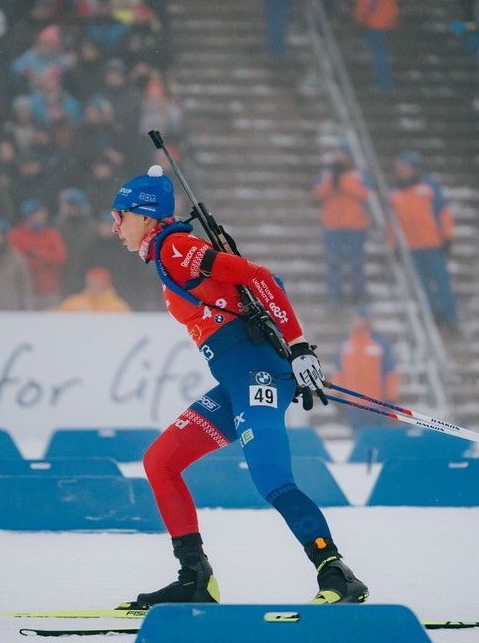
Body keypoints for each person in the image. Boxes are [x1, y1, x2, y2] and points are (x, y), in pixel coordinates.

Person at [109, 164, 368, 607]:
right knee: (160, 462)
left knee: (270, 477)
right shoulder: (169, 251)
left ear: (147, 216)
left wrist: (300, 347)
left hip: (258, 375)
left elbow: (260, 277)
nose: (115, 226)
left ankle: (336, 572)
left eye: (121, 216)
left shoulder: (175, 248)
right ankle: (195, 577)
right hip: (236, 382)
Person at [388, 150, 458, 330]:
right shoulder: (395, 191)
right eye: (398, 168)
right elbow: (392, 221)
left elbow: (443, 212)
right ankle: (434, 316)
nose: (401, 171)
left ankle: (451, 318)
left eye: (404, 167)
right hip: (411, 247)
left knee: (442, 282)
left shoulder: (429, 186)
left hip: (432, 243)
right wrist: (393, 243)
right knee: (423, 286)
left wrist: (448, 236)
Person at [312, 143, 369, 306]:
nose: (338, 157)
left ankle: (359, 294)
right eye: (336, 153)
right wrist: (332, 182)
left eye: (341, 153)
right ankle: (334, 295)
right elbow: (318, 194)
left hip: (356, 225)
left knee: (356, 261)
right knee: (334, 261)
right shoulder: (326, 173)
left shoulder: (359, 173)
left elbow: (365, 194)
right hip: (332, 225)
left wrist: (343, 180)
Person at [331, 313, 398, 430]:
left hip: (376, 403)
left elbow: (390, 372)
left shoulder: (380, 343)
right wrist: (337, 395)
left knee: (377, 437)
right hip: (352, 403)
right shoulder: (345, 343)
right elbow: (338, 372)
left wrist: (391, 397)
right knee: (357, 439)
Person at [9, 198, 68, 309]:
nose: (41, 216)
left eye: (42, 213)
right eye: (36, 213)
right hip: (24, 291)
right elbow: (17, 262)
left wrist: (39, 254)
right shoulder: (15, 235)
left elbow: (60, 257)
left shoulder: (52, 235)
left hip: (49, 290)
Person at [354, 0, 397, 91]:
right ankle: (385, 82)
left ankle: (383, 84)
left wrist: (359, 19)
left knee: (378, 52)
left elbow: (365, 1)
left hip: (374, 18)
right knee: (382, 51)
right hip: (387, 15)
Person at [50, 266, 131, 312]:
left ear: (104, 284)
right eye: (90, 282)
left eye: (96, 282)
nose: (92, 285)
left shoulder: (118, 306)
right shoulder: (75, 302)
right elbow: (56, 314)